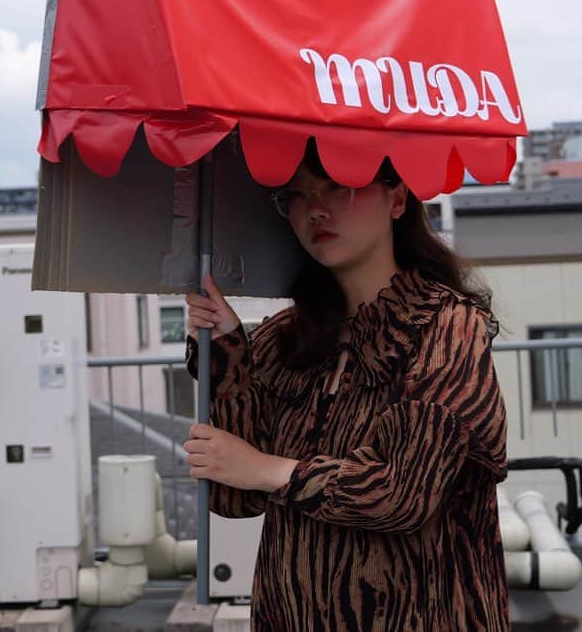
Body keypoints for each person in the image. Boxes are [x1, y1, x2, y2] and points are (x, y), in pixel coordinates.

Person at [184, 139, 510, 631]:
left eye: (342, 185)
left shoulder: (446, 328)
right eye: (296, 194)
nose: (316, 209)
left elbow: (403, 493)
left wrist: (269, 470)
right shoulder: (283, 340)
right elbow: (234, 498)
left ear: (397, 198)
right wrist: (228, 350)